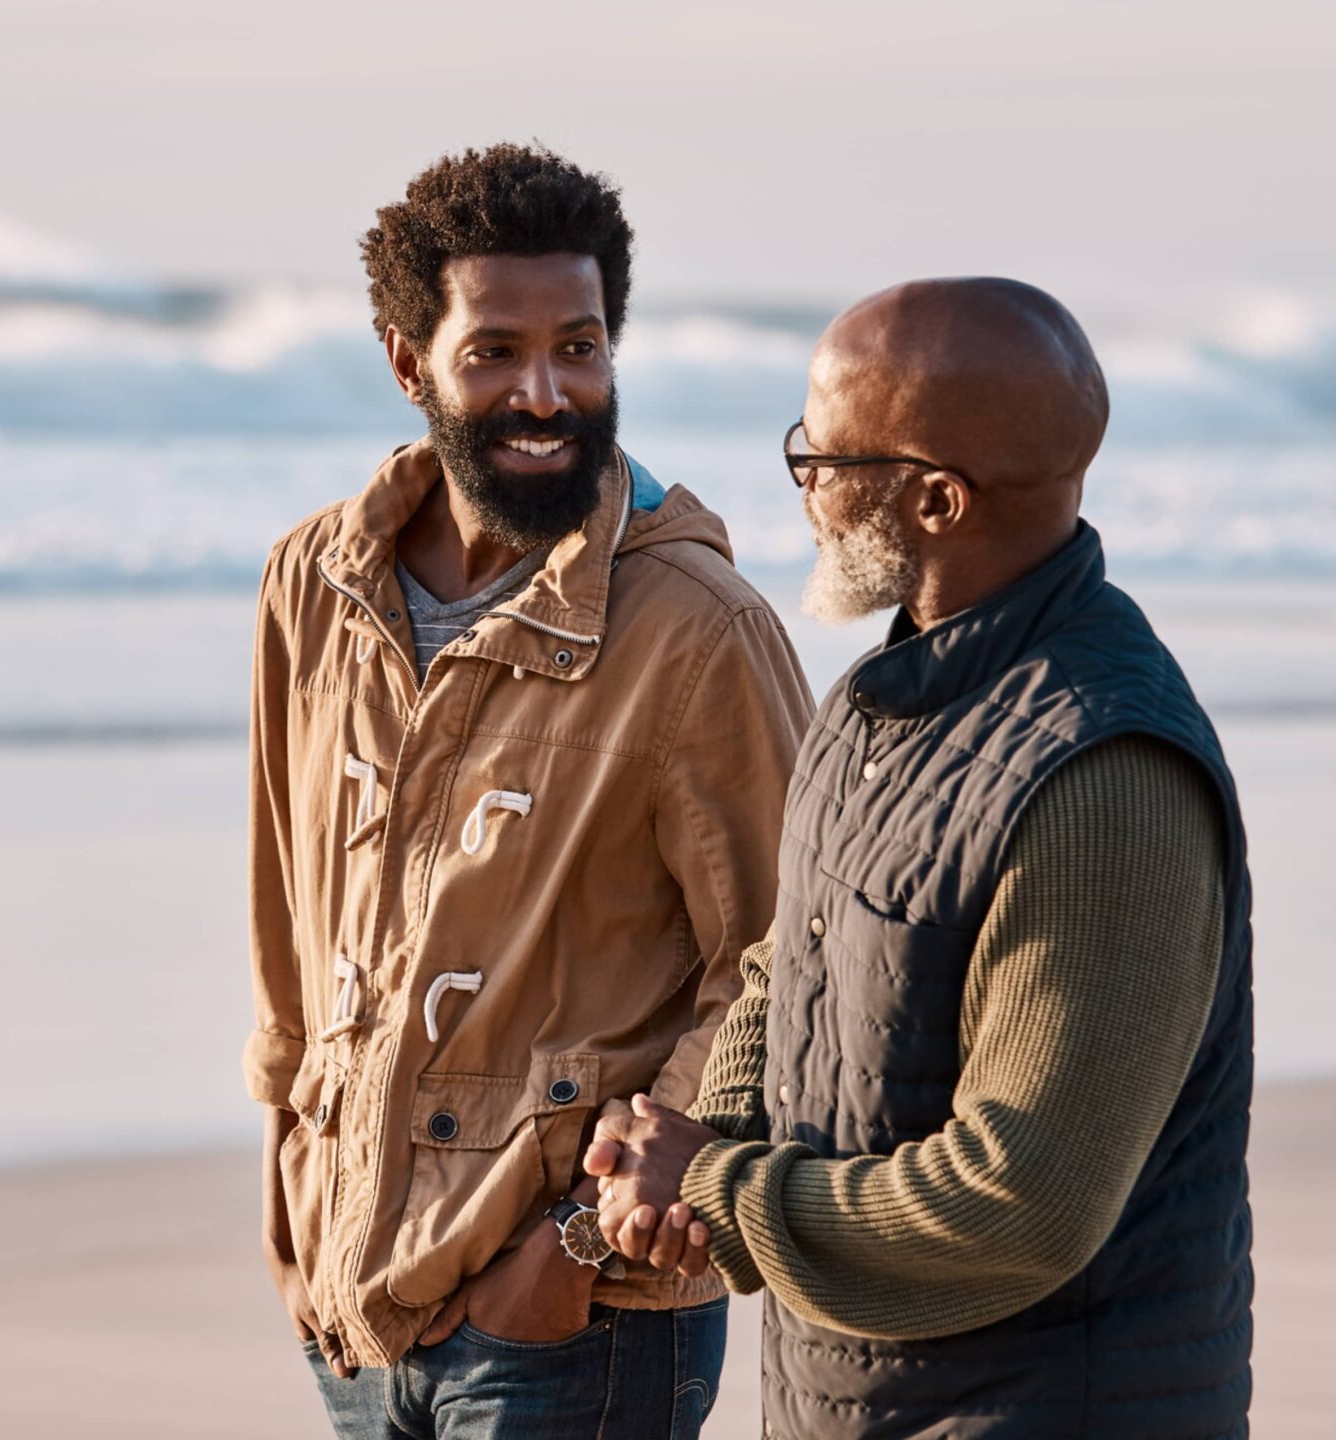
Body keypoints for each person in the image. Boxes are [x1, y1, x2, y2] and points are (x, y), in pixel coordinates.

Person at [586, 278, 1256, 1439]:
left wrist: (710, 1187)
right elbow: (789, 966)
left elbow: (1019, 1205)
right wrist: (706, 1131)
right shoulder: (874, 702)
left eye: (825, 460)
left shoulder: (1103, 778)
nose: (803, 491)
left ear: (936, 499)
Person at [242, 144, 813, 1438]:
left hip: (567, 1325)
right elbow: (291, 911)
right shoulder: (311, 587)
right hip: (355, 1293)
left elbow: (795, 966)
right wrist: (291, 1194)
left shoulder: (696, 629)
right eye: (495, 351)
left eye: (581, 347)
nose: (546, 392)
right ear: (408, 362)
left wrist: (569, 1250)